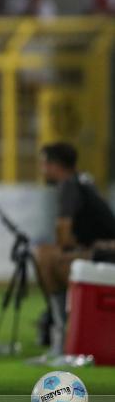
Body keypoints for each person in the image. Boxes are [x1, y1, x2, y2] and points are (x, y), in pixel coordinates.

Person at [32, 142, 115, 360]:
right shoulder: (82, 180)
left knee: (46, 258)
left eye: (44, 164)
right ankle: (58, 331)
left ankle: (59, 337)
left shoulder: (69, 185)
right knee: (48, 256)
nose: (42, 170)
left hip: (107, 254)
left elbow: (63, 230)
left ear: (56, 166)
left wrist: (67, 250)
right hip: (102, 250)